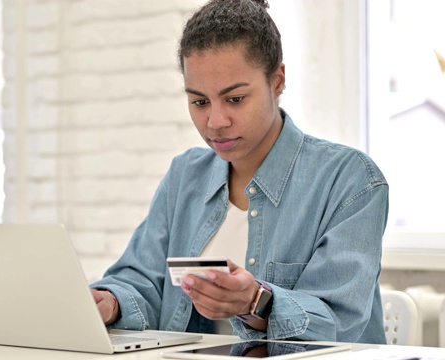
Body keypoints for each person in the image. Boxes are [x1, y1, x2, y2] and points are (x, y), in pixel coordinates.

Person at [90, 0, 388, 344]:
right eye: (200, 102)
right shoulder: (184, 177)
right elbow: (141, 281)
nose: (215, 122)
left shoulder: (351, 181)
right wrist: (110, 302)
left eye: (235, 99)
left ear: (277, 81)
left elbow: (338, 322)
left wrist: (256, 301)